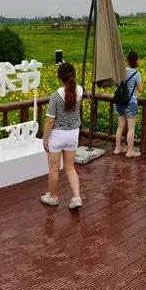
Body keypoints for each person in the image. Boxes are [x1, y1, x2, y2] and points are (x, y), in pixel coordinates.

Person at [40, 62, 82, 210]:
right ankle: (76, 197)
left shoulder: (56, 96)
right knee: (70, 167)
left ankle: (53, 197)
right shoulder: (80, 91)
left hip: (57, 136)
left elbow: (50, 120)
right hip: (73, 134)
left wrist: (45, 139)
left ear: (59, 77)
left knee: (54, 169)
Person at [114, 51, 142, 157]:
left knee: (120, 126)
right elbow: (141, 89)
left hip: (120, 102)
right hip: (130, 103)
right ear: (137, 61)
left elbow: (117, 84)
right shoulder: (136, 73)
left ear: (127, 60)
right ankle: (130, 151)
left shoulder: (121, 72)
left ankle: (117, 148)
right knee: (131, 128)